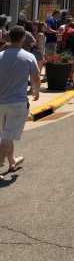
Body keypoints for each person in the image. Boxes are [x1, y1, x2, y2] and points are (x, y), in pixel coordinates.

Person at [0, 26, 40, 180]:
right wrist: (36, 92)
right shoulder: (29, 57)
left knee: (5, 134)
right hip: (17, 103)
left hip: (1, 102)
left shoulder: (1, 55)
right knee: (7, 137)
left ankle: (12, 161)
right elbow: (35, 78)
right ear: (23, 38)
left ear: (9, 37)